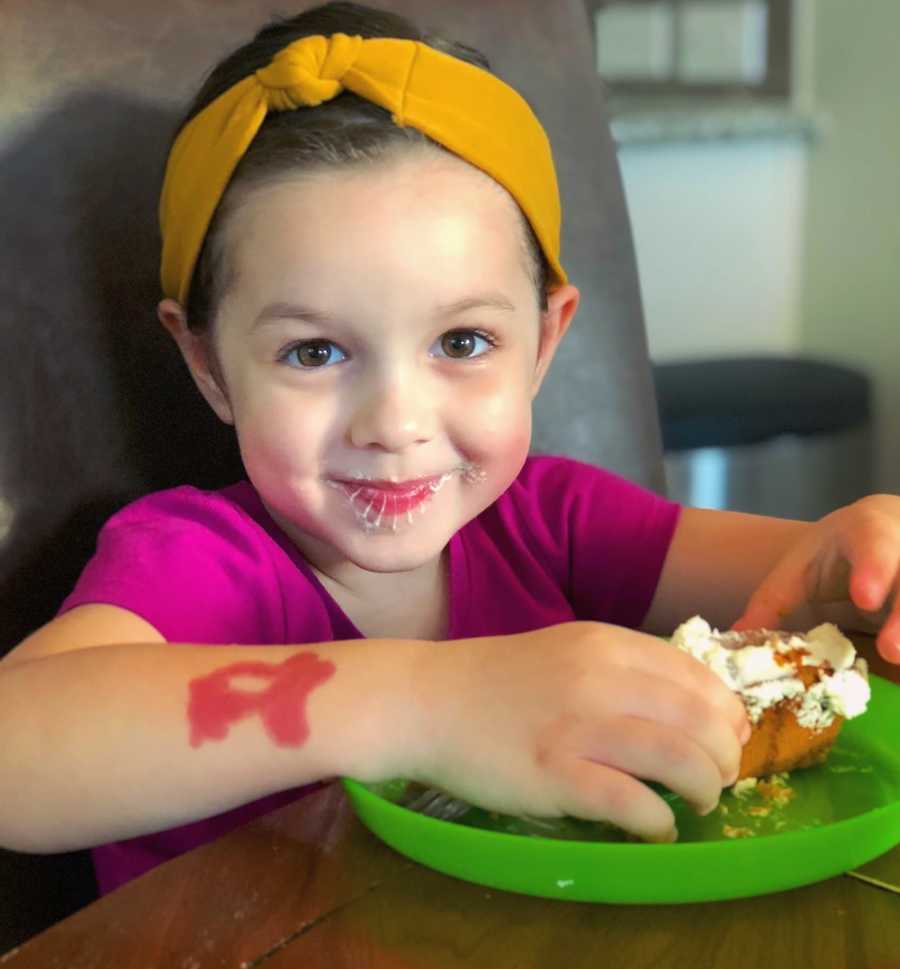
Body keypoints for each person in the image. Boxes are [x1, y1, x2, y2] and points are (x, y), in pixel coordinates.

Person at [1, 1, 898, 896]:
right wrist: (428, 702)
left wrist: (855, 566)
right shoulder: (199, 564)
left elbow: (802, 575)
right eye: (314, 352)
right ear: (207, 365)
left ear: (545, 342)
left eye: (463, 342)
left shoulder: (554, 522)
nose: (395, 422)